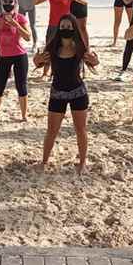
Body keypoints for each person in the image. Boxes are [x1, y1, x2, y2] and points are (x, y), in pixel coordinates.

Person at [33, 14, 99, 171]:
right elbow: (38, 63)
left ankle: (82, 163)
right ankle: (44, 162)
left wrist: (94, 59)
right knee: (52, 131)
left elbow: (95, 62)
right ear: (58, 29)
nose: (66, 30)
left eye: (69, 27)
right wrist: (37, 58)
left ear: (74, 28)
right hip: (57, 93)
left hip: (78, 93)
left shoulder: (80, 48)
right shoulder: (52, 48)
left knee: (80, 130)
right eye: (63, 27)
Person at [0, 0, 31, 121]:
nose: (7, 5)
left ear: (15, 3)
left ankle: (24, 115)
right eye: (5, 2)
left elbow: (28, 37)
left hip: (19, 56)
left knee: (21, 85)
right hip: (3, 56)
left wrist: (15, 24)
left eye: (10, 2)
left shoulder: (21, 18)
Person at [35, 0, 85, 78]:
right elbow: (35, 2)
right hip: (53, 25)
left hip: (66, 26)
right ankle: (45, 73)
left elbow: (85, 1)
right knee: (49, 49)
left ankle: (77, 71)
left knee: (71, 46)